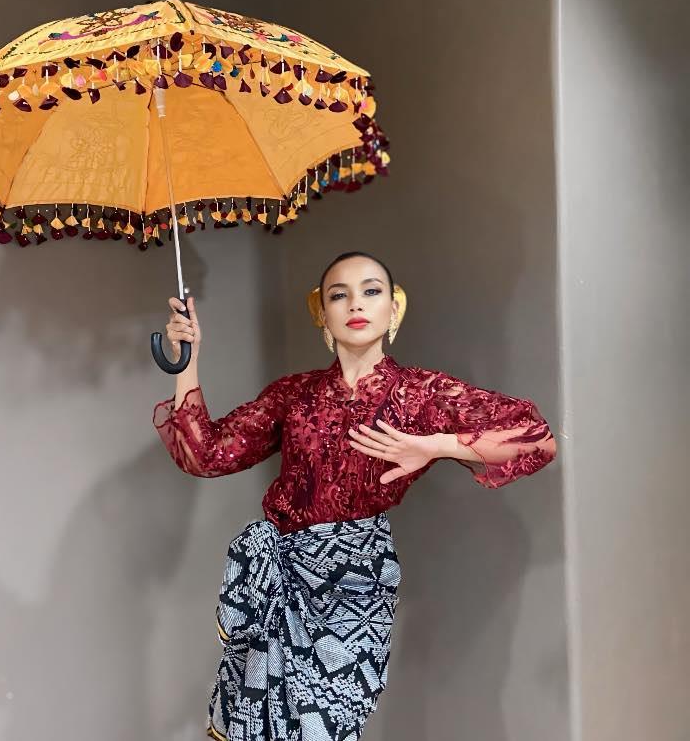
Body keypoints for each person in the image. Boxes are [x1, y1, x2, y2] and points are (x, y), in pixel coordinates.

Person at [152, 251, 557, 741]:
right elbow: (206, 454)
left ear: (394, 307)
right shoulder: (294, 395)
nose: (355, 304)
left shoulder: (420, 394)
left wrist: (436, 446)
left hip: (356, 584)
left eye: (371, 291)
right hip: (281, 577)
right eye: (338, 295)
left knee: (324, 727)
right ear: (322, 313)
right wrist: (187, 362)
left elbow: (536, 439)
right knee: (260, 722)